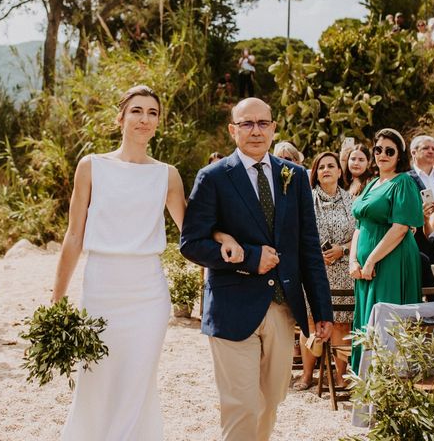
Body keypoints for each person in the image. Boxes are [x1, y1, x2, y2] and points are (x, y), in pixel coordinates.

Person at [180, 97, 333, 441]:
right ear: (233, 130)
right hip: (232, 308)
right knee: (242, 405)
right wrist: (249, 257)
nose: (255, 131)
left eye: (263, 123)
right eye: (247, 124)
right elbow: (191, 243)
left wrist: (321, 309)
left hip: (282, 307)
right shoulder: (213, 177)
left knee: (270, 401)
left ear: (274, 128)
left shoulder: (293, 176)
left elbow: (308, 247)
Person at [52, 85, 191, 440]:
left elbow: (193, 233)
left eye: (152, 113)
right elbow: (73, 237)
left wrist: (228, 240)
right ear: (121, 117)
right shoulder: (92, 166)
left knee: (138, 380)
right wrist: (57, 300)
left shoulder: (167, 175)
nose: (145, 119)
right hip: (101, 288)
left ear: (158, 122)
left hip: (149, 293)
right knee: (96, 379)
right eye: (137, 111)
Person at [350, 128, 424, 373]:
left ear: (399, 156)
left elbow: (401, 228)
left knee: (386, 318)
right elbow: (359, 227)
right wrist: (354, 261)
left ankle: (388, 382)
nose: (382, 154)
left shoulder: (403, 182)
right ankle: (367, 383)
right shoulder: (371, 183)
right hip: (365, 267)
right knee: (368, 318)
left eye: (389, 151)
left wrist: (370, 260)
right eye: (378, 149)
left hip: (392, 260)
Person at [295, 152, 354, 390]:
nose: (327, 169)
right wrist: (312, 253)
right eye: (321, 167)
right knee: (310, 323)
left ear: (340, 172)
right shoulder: (305, 200)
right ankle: (307, 375)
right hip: (314, 270)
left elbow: (360, 237)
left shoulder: (353, 201)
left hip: (343, 270)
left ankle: (340, 376)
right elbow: (296, 233)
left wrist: (343, 249)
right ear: (316, 173)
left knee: (341, 324)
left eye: (332, 166)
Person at [408, 134, 434, 200]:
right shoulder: (406, 178)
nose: (431, 151)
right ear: (413, 153)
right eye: (425, 148)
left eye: (433, 149)